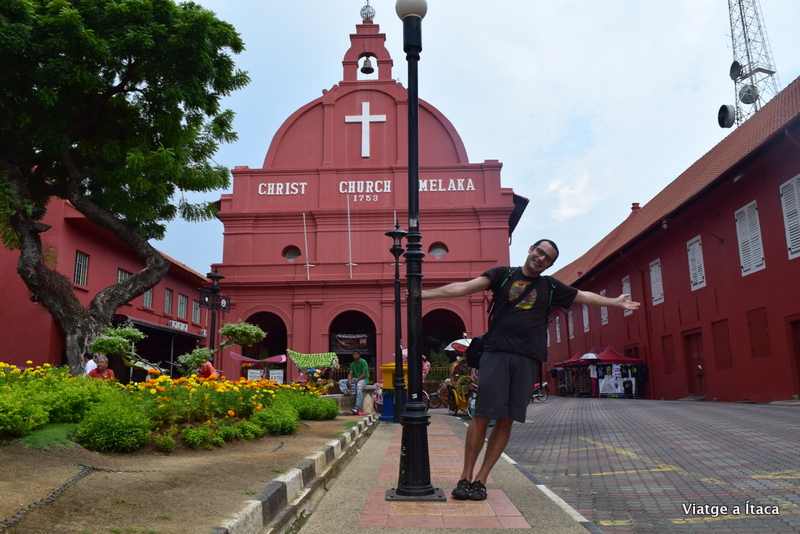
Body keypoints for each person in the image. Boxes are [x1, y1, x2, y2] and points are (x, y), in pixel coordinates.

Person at [421, 239, 640, 501]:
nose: (541, 258)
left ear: (549, 264)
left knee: (506, 420)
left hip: (527, 358)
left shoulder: (550, 286)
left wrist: (614, 303)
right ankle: (465, 477)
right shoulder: (502, 275)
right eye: (539, 252)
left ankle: (481, 480)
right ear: (530, 250)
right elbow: (464, 288)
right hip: (496, 353)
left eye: (547, 258)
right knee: (482, 415)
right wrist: (425, 294)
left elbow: (584, 297)